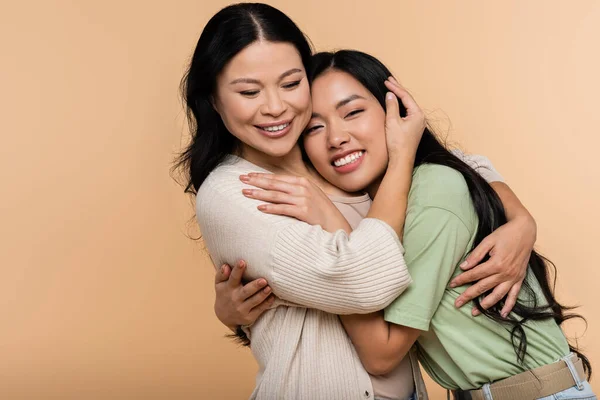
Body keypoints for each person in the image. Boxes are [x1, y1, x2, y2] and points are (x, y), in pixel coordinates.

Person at [176, 3, 537, 399]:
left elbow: (466, 169)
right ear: (212, 98)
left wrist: (520, 221)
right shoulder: (233, 193)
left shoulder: (327, 155)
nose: (276, 107)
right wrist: (399, 158)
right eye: (248, 91)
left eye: (292, 83)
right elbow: (367, 282)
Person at [218, 49, 594, 400]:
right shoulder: (377, 208)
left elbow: (382, 354)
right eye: (314, 128)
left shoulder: (434, 189)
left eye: (352, 113)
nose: (336, 138)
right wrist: (232, 313)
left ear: (395, 113)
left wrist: (332, 222)